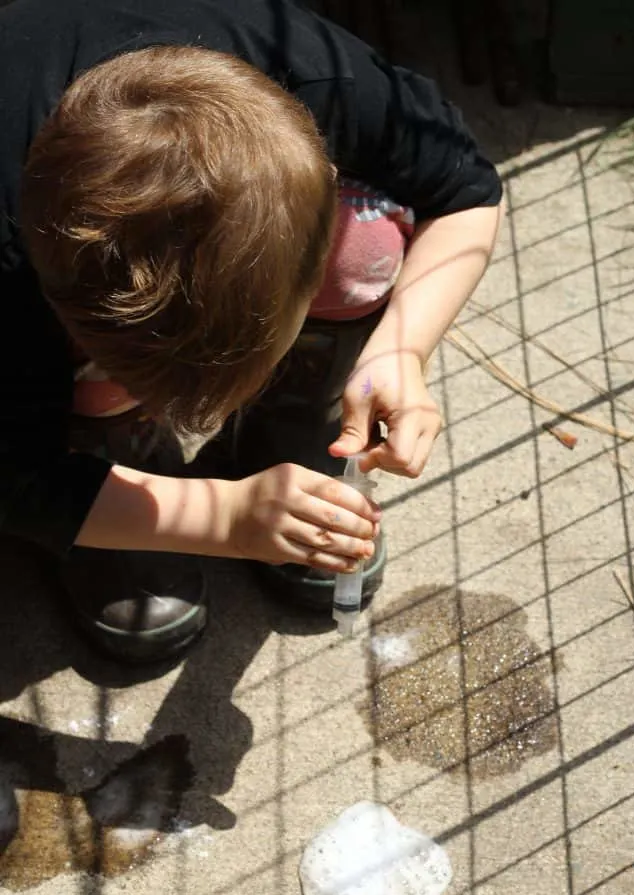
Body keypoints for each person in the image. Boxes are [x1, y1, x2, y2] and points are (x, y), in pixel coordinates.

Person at [0, 0, 503, 664]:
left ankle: (286, 437)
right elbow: (11, 475)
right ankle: (115, 450)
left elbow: (467, 192)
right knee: (50, 394)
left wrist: (402, 348)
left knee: (365, 254)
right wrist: (218, 518)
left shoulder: (322, 77)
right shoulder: (7, 254)